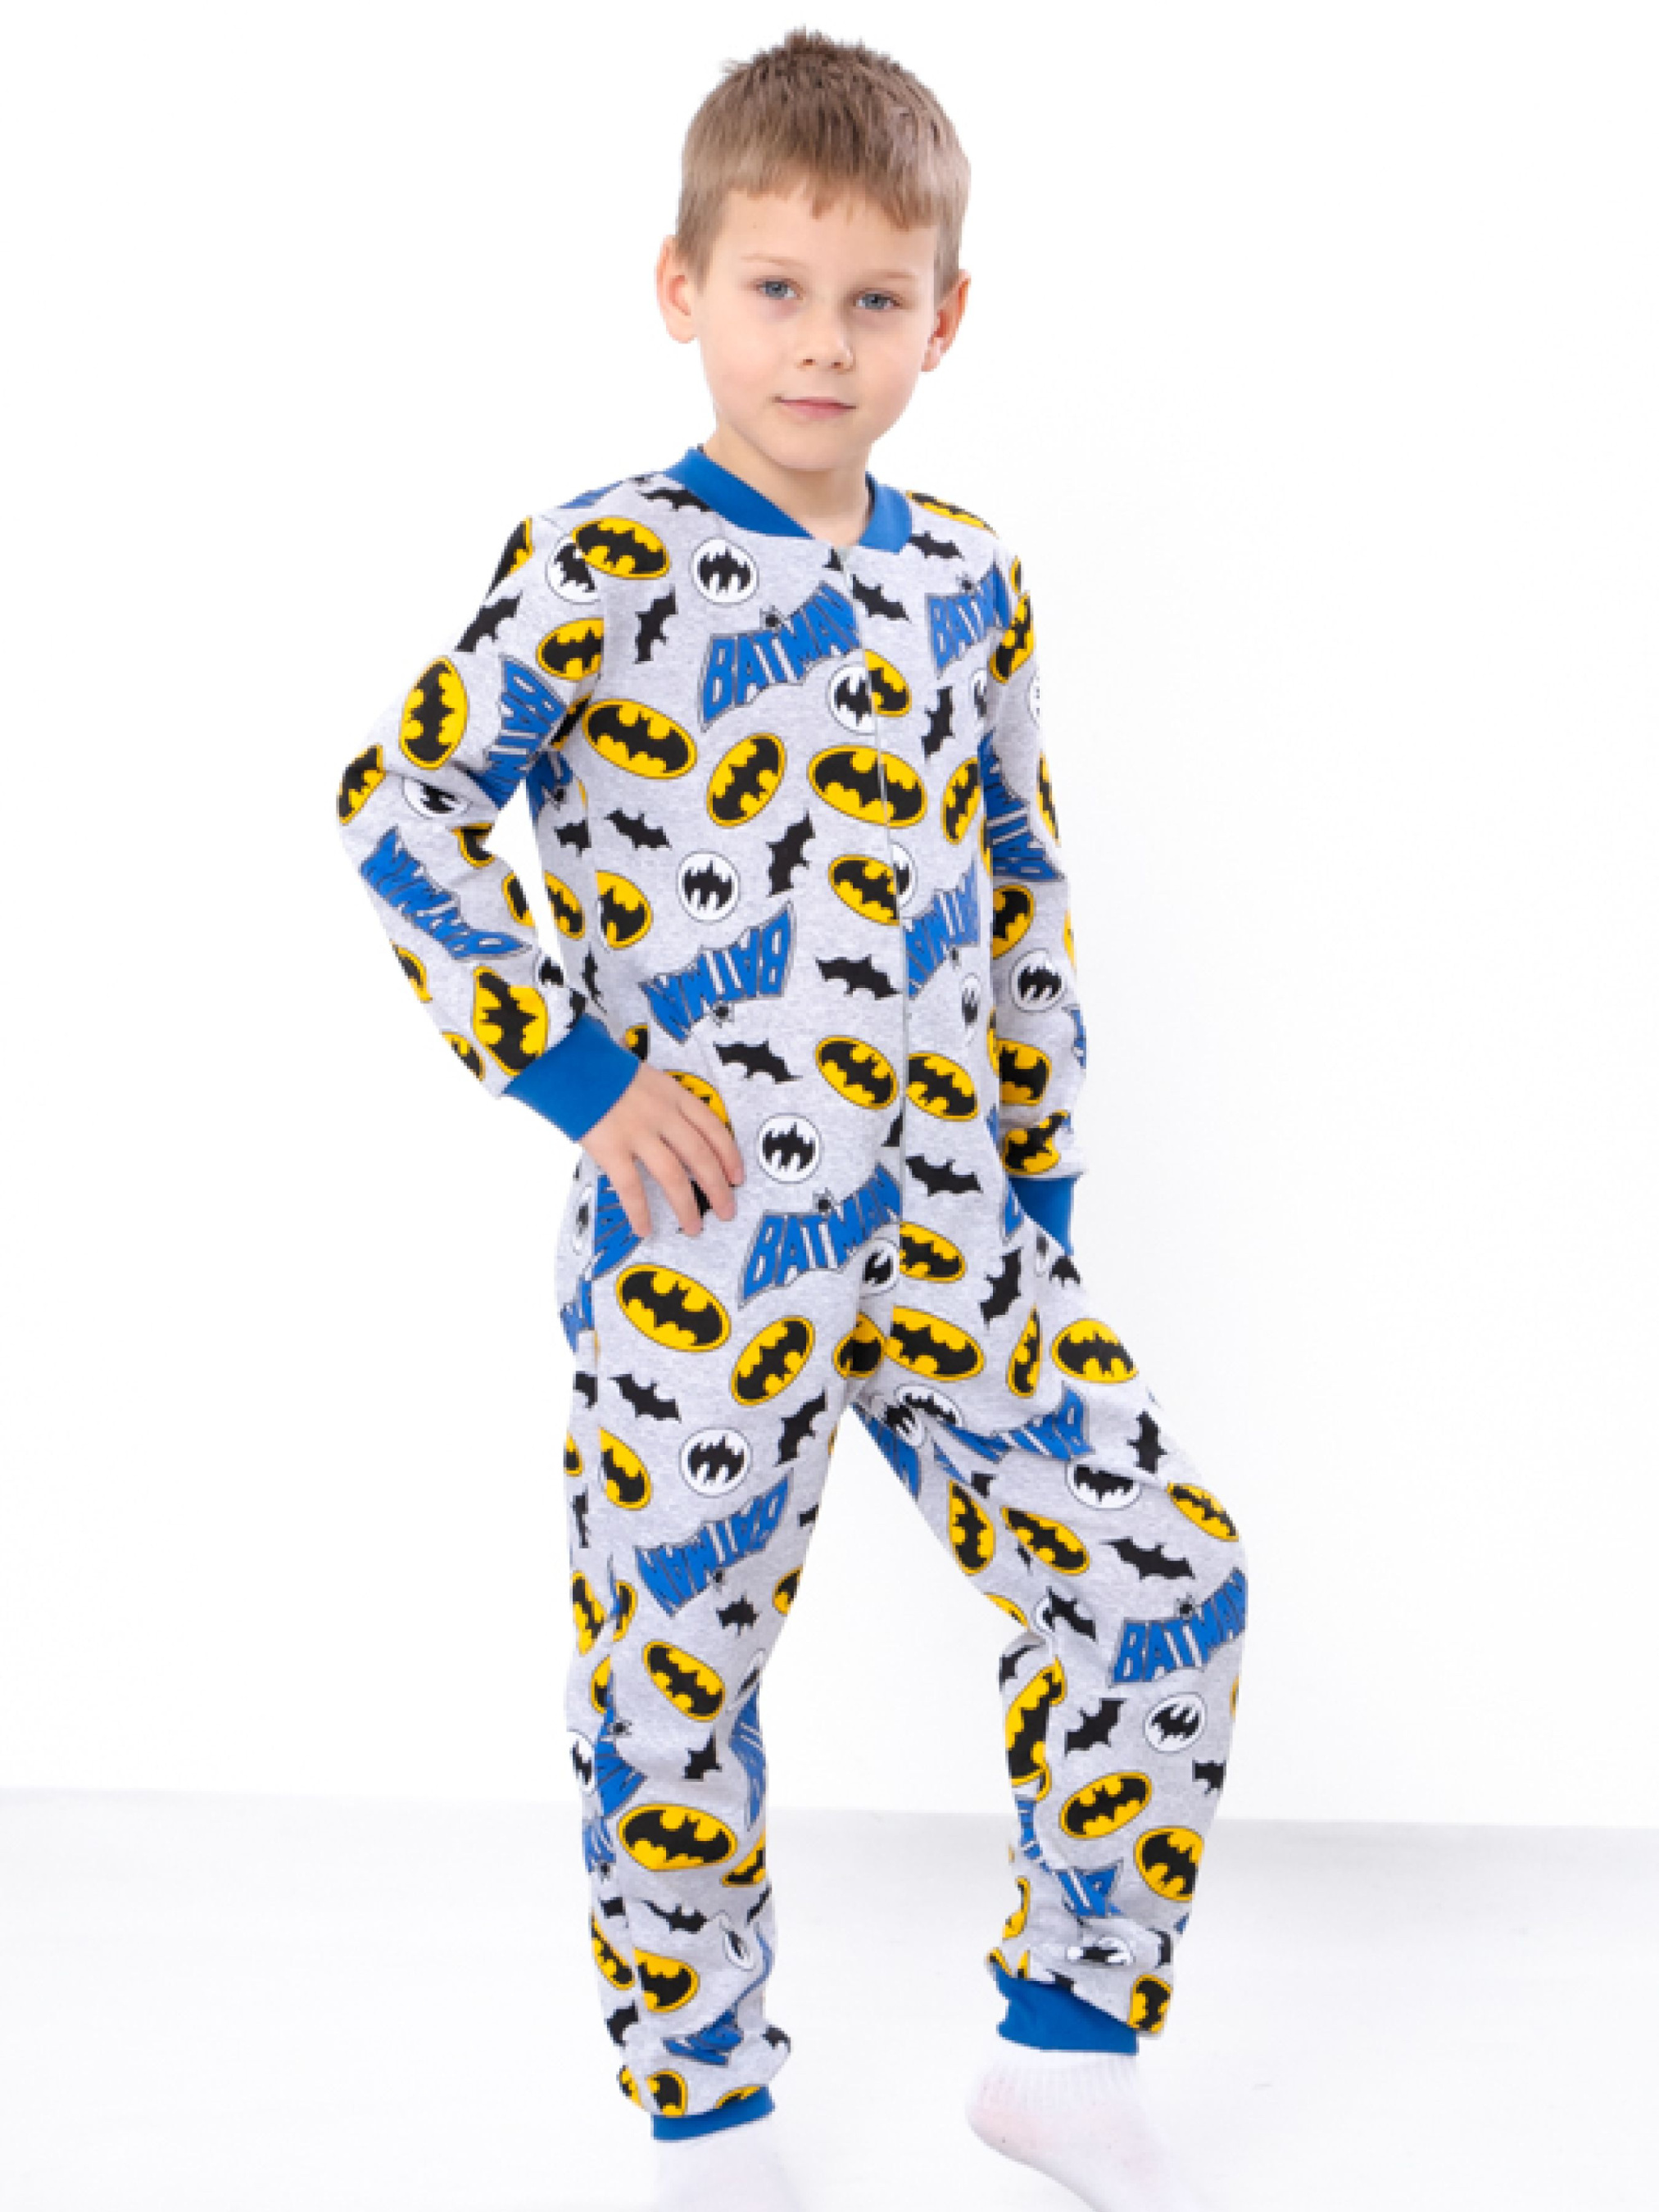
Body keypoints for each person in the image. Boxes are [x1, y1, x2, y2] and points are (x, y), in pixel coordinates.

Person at [334, 28, 1247, 2212]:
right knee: (676, 1680)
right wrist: (580, 1076)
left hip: (953, 1223)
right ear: (681, 290)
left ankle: (1065, 2046)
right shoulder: (604, 559)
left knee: (1164, 1576)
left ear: (945, 317)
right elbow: (403, 805)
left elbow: (1019, 879)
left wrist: (1034, 1172)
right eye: (774, 289)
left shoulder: (970, 576)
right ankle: (708, 2117)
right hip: (710, 1235)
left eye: (871, 299)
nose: (822, 342)